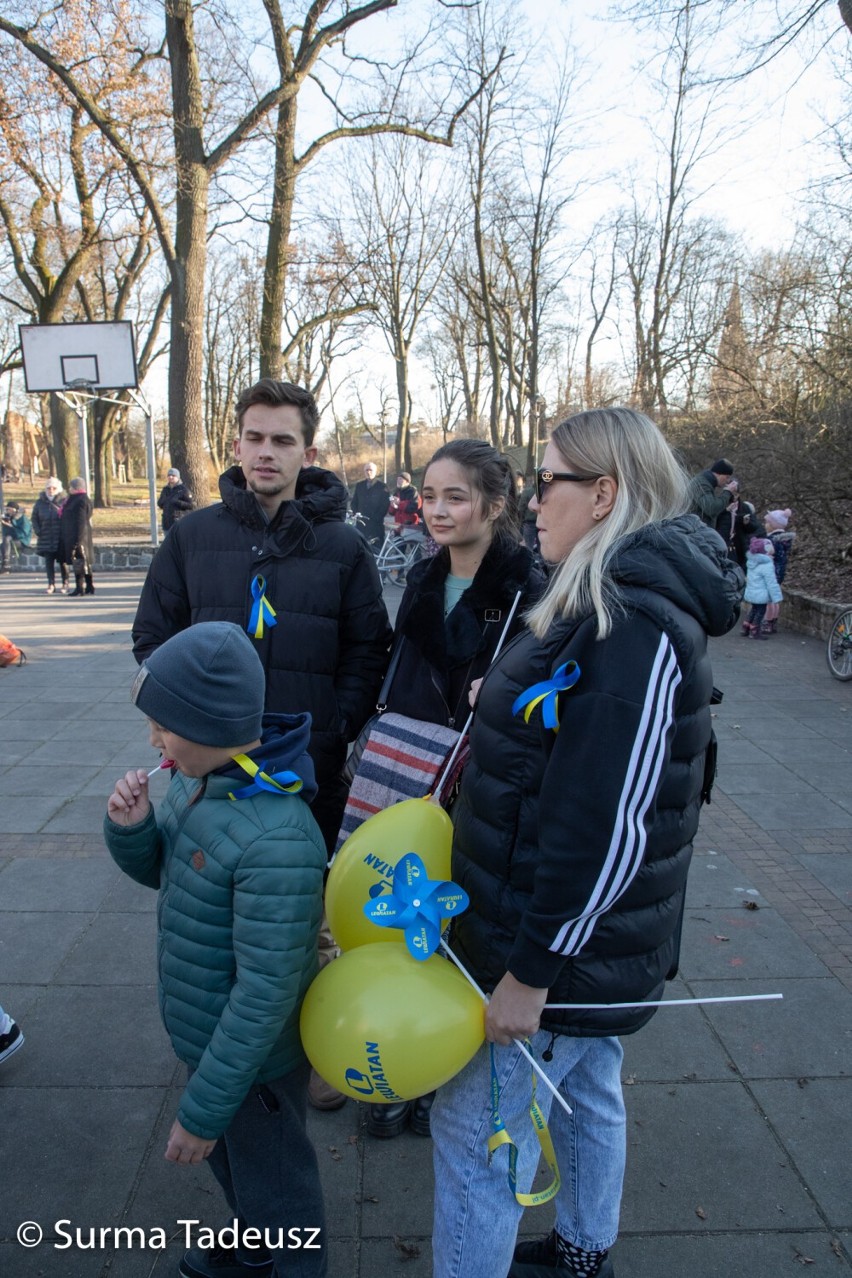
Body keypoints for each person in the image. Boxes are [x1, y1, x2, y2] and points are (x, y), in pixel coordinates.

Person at [429, 408, 743, 1278]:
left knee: (478, 1147)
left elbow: (608, 826)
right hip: (563, 933)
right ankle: (582, 1251)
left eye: (549, 481)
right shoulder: (594, 597)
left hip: (551, 943)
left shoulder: (635, 625)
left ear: (603, 494)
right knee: (586, 1091)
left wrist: (528, 975)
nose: (533, 501)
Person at [105, 622, 328, 1278]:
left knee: (280, 1186)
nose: (152, 741)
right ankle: (257, 1247)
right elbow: (171, 877)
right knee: (243, 1172)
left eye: (163, 726)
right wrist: (132, 828)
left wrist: (202, 1111)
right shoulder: (198, 782)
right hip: (214, 1046)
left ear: (209, 727)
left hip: (251, 1065)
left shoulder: (278, 840)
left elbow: (264, 995)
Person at [364, 439, 548, 1142]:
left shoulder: (531, 590)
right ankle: (397, 1056)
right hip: (406, 775)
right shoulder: (419, 575)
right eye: (430, 496)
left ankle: (436, 1071)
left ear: (495, 506)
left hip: (477, 784)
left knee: (456, 932)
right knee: (398, 921)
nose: (436, 511)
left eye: (456, 497)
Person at [132, 378, 392, 855]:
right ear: (237, 446)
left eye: (282, 440)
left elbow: (369, 647)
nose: (265, 452)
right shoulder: (191, 537)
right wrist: (185, 723)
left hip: (306, 766)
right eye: (254, 438)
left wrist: (335, 724)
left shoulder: (343, 547)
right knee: (201, 905)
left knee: (299, 908)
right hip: (208, 769)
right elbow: (153, 637)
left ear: (308, 454)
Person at [59, 477, 95, 596]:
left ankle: (80, 588)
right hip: (78, 536)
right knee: (84, 562)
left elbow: (81, 521)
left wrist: (77, 541)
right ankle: (89, 586)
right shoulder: (75, 499)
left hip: (79, 537)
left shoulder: (80, 500)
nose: (69, 489)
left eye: (71, 487)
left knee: (79, 562)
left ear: (76, 488)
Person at [31, 477, 68, 594]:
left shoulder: (64, 501)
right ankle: (51, 584)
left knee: (63, 562)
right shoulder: (40, 503)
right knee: (48, 562)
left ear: (58, 489)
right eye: (48, 488)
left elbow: (68, 518)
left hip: (60, 538)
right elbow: (34, 518)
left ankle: (65, 583)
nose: (50, 490)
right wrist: (38, 531)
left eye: (53, 488)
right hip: (46, 536)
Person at [741, 536, 782, 639]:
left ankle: (746, 626)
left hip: (752, 592)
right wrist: (776, 597)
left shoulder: (751, 562)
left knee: (754, 609)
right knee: (760, 612)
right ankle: (754, 630)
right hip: (761, 594)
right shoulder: (767, 564)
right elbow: (771, 582)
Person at [762, 508, 795, 633]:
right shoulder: (784, 540)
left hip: (771, 572)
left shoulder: (772, 540)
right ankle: (773, 621)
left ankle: (768, 622)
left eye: (767, 523)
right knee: (774, 598)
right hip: (779, 572)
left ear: (772, 525)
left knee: (769, 599)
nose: (765, 525)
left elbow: (767, 555)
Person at [688, 457, 739, 528]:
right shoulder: (701, 484)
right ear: (718, 474)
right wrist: (728, 492)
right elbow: (712, 508)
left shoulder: (707, 483)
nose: (728, 481)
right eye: (727, 477)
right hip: (695, 531)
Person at [349, 462, 389, 546]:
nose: (368, 472)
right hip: (361, 523)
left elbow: (385, 505)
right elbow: (354, 502)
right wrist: (356, 513)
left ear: (375, 471)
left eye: (370, 470)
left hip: (376, 524)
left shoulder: (382, 486)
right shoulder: (359, 485)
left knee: (376, 551)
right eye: (366, 470)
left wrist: (376, 517)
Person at [157, 466, 195, 533]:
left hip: (178, 522)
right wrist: (162, 501)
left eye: (173, 475)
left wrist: (177, 502)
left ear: (178, 477)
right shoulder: (165, 489)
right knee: (168, 543)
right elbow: (160, 504)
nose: (170, 477)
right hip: (166, 523)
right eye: (169, 475)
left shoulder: (183, 490)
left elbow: (191, 505)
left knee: (178, 543)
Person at [0, 501, 32, 571]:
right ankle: (5, 564)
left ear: (15, 510)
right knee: (4, 542)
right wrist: (5, 525)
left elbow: (23, 534)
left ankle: (6, 563)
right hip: (10, 540)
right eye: (7, 509)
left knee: (6, 540)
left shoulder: (23, 518)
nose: (8, 511)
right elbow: (5, 535)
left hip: (22, 540)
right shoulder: (8, 518)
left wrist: (11, 526)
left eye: (10, 509)